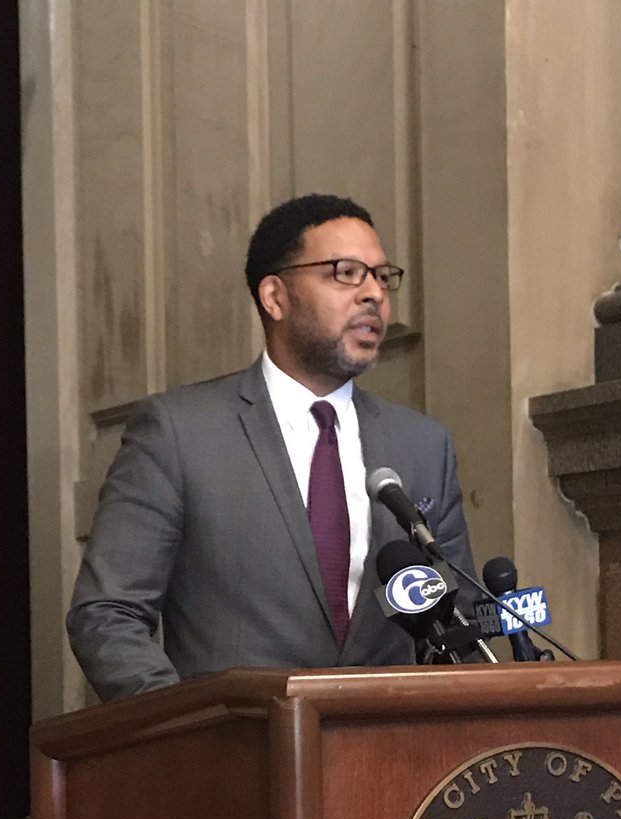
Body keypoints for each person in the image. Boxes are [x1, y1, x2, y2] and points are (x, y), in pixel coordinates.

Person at [67, 193, 477, 700]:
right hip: (236, 743)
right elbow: (108, 614)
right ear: (275, 297)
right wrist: (192, 728)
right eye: (346, 273)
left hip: (385, 744)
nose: (373, 293)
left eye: (380, 276)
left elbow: (458, 623)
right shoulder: (179, 433)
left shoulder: (422, 445)